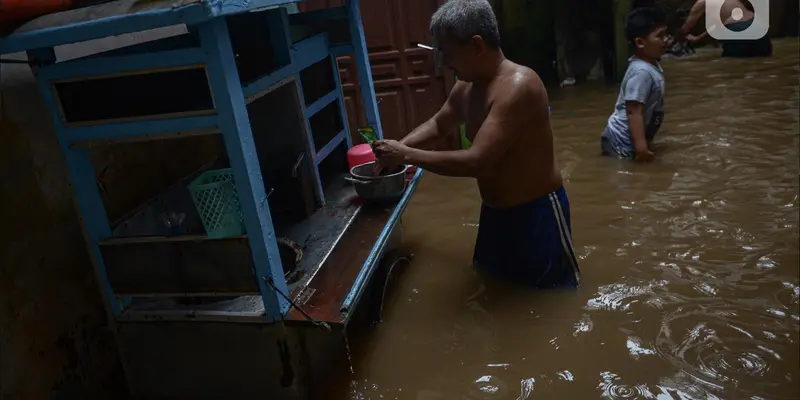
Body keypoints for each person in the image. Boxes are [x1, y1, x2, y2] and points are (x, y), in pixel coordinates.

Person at [371, 0, 580, 289]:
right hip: (494, 212)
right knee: (491, 288)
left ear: (477, 45)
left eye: (448, 52)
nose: (444, 62)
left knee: (551, 300)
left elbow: (477, 160)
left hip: (536, 215)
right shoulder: (466, 86)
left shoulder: (519, 86)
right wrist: (393, 152)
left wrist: (406, 154)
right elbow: (438, 125)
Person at [600, 7, 668, 162]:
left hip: (628, 139)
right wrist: (642, 150)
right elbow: (633, 111)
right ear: (640, 42)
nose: (666, 39)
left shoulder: (651, 65)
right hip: (620, 142)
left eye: (666, 34)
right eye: (660, 36)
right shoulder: (641, 72)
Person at [671, 0, 772, 57]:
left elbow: (686, 27)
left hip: (738, 31)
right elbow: (719, 26)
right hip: (759, 27)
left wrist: (671, 42)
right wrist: (698, 38)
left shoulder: (702, 3)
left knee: (730, 68)